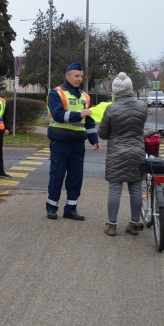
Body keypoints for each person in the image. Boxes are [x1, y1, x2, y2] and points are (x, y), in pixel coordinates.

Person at [46, 62, 100, 220]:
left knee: (76, 178)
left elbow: (89, 121)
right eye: (76, 76)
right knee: (57, 176)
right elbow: (58, 115)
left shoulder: (85, 96)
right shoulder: (56, 93)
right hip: (60, 141)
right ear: (67, 76)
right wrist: (79, 114)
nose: (79, 79)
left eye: (81, 76)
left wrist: (94, 139)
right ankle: (52, 208)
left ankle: (71, 208)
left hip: (78, 143)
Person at [97, 72, 148, 236]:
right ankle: (134, 224)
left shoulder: (111, 108)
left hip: (117, 153)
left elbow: (103, 133)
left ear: (115, 91)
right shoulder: (142, 106)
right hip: (137, 151)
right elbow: (140, 127)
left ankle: (111, 226)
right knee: (136, 188)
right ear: (131, 88)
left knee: (115, 188)